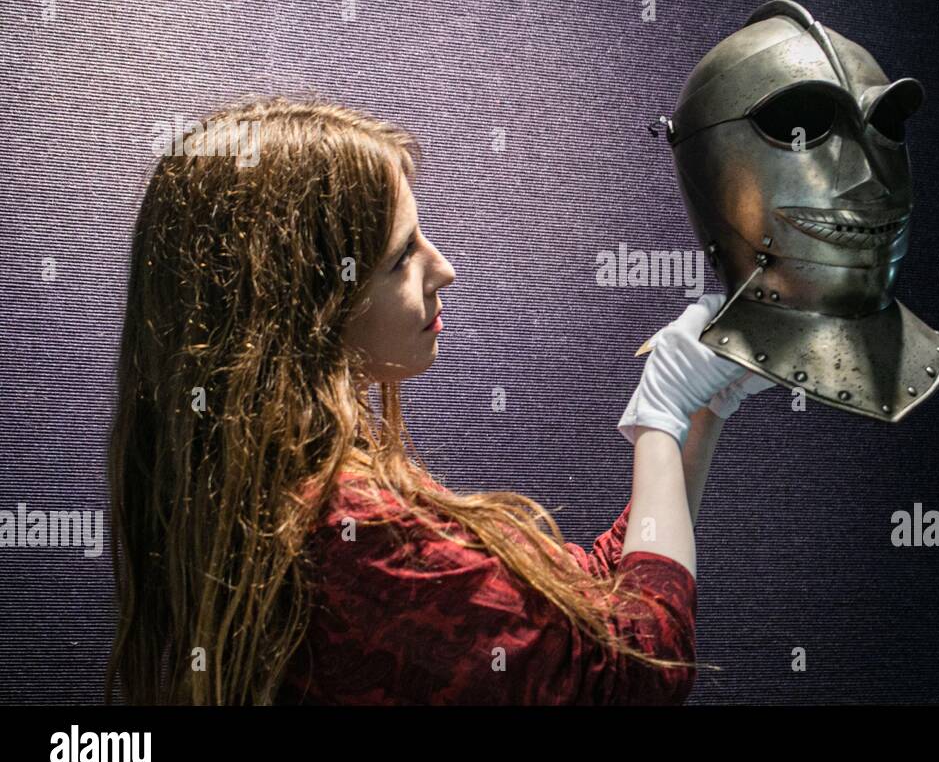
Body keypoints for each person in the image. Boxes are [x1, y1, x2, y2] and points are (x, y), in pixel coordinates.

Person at [104, 94, 771, 705]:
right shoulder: (349, 530)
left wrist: (695, 414)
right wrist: (658, 417)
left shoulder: (254, 503)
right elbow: (631, 671)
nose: (443, 267)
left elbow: (590, 600)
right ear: (304, 306)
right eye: (401, 258)